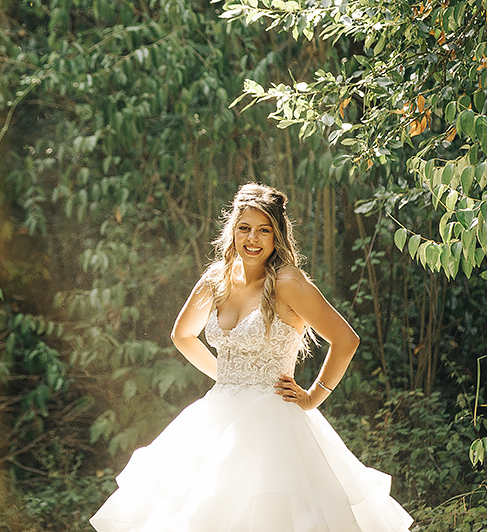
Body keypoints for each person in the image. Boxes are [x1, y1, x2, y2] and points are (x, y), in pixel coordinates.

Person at [89, 183, 413, 532]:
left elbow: (346, 340)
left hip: (274, 423)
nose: (252, 239)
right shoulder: (216, 280)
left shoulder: (288, 282)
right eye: (244, 228)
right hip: (218, 414)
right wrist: (226, 377)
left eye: (264, 230)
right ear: (232, 231)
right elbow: (182, 336)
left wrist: (314, 396)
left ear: (278, 236)